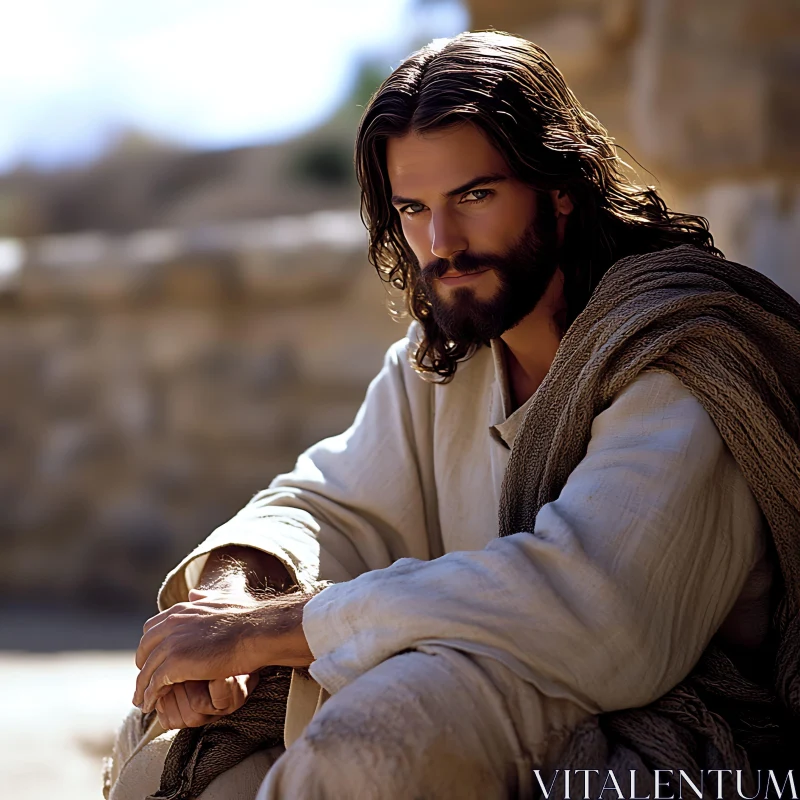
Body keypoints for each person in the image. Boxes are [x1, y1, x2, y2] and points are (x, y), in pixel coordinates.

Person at [105, 31, 798, 800]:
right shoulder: (445, 358)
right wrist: (233, 596)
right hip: (492, 682)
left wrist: (273, 631)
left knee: (376, 740)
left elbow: (600, 612)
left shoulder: (676, 353)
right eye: (413, 209)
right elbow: (324, 505)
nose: (443, 244)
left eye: (474, 196)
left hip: (665, 728)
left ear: (560, 186)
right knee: (178, 731)